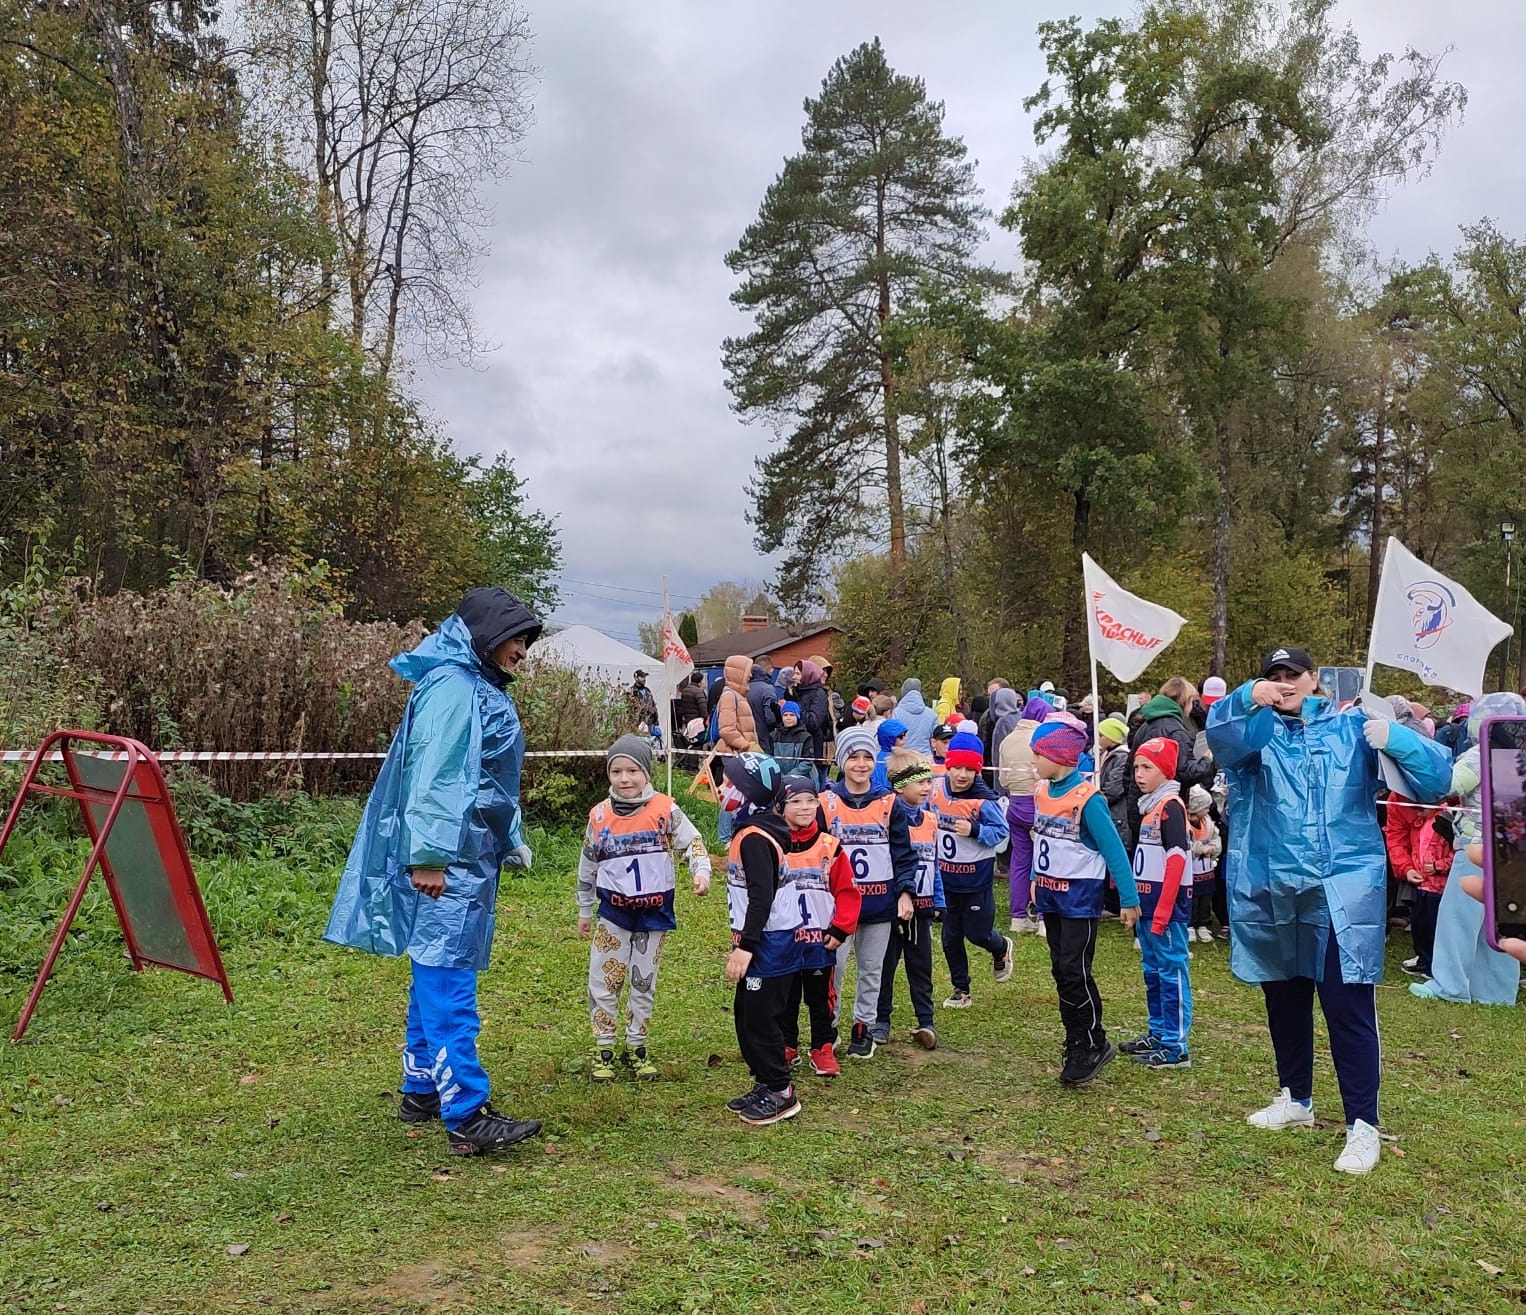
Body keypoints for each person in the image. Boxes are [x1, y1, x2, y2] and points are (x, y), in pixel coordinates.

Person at [1205, 645, 1451, 1176]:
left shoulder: (1352, 729)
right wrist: (1247, 698)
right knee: (1284, 996)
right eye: (1274, 675)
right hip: (1274, 885)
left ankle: (1363, 1123)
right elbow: (1220, 738)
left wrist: (1397, 738)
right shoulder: (1255, 733)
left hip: (1343, 888)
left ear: (1314, 679)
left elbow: (1436, 782)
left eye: (1293, 674)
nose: (1285, 682)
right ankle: (1296, 1096)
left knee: (1347, 1004)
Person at [324, 586, 544, 1157]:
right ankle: (466, 1113)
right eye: (517, 639)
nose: (523, 652)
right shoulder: (455, 687)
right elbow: (438, 775)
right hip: (451, 859)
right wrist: (428, 856)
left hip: (467, 854)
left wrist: (510, 837)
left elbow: (488, 780)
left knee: (434, 970)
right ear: (487, 634)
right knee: (448, 980)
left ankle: (421, 1088)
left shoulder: (469, 683)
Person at [724, 758, 859, 1123]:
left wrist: (745, 947)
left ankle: (780, 1091)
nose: (721, 788)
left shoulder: (755, 838)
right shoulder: (755, 830)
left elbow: (761, 898)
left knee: (760, 1018)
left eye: (729, 783)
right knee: (747, 1014)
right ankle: (764, 1082)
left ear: (748, 793)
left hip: (769, 942)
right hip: (766, 940)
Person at [576, 735, 711, 1081]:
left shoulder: (665, 809)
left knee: (643, 981)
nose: (625, 779)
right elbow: (588, 865)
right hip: (613, 914)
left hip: (653, 915)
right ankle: (604, 1047)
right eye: (617, 771)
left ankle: (636, 1045)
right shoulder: (599, 816)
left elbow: (693, 841)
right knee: (604, 980)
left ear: (646, 772)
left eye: (633, 770)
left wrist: (701, 871)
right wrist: (585, 909)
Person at [1027, 717, 1139, 1086]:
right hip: (1051, 899)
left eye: (1038, 754)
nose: (1033, 760)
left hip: (1078, 902)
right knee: (1061, 970)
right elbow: (1041, 840)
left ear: (1058, 757)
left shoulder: (1088, 800)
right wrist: (1034, 879)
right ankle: (1075, 1038)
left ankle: (1093, 1042)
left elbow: (1113, 850)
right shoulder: (1042, 792)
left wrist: (1128, 898)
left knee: (1075, 971)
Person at [1411, 692, 1525, 1006]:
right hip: (1514, 851)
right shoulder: (1520, 753)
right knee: (1501, 922)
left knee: (1457, 919)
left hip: (1476, 848)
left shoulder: (1481, 753)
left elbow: (1450, 785)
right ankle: (1497, 993)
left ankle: (1449, 985)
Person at [820, 725, 911, 1057]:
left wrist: (905, 892)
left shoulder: (889, 803)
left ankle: (864, 1026)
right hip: (836, 906)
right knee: (834, 968)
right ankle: (828, 1026)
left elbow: (903, 853)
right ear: (842, 761)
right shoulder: (825, 803)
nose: (861, 764)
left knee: (872, 970)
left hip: (878, 904)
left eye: (867, 757)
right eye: (854, 757)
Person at [1120, 737, 1195, 1071]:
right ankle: (1158, 1032)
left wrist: (1164, 910)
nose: (1139, 774)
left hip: (1166, 910)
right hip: (1147, 907)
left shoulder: (1170, 807)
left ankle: (1175, 1045)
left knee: (1171, 971)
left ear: (1165, 770)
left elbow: (1176, 860)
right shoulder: (1150, 807)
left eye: (1147, 767)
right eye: (1137, 767)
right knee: (1153, 971)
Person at [932, 731, 1013, 1008]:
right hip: (945, 878)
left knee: (978, 933)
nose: (962, 775)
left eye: (969, 769)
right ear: (948, 765)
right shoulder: (936, 788)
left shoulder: (984, 800)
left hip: (975, 880)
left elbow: (1001, 833)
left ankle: (1000, 947)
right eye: (957, 767)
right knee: (950, 936)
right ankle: (961, 989)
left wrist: (975, 830)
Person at [875, 748, 944, 1049]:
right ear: (901, 786)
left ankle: (925, 1021)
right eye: (920, 782)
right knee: (885, 966)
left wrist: (939, 900)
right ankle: (880, 1020)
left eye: (929, 782)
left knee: (921, 967)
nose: (927, 788)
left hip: (923, 907)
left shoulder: (930, 820)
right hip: (894, 908)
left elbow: (935, 863)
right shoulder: (888, 818)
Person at [1125, 678, 1216, 845]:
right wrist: (1207, 760)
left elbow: (1128, 770)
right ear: (1185, 702)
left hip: (1139, 807)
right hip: (1166, 810)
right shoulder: (1177, 731)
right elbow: (1185, 772)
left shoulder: (1144, 727)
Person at [997, 695, 1052, 934]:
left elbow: (1002, 779)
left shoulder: (1007, 740)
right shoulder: (1041, 738)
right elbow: (1045, 774)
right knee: (1044, 861)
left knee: (1019, 861)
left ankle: (1018, 917)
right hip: (1037, 802)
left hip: (1015, 803)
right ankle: (1043, 918)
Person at [1187, 785, 1221, 943]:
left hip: (1207, 870)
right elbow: (1185, 845)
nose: (1208, 810)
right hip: (1191, 871)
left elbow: (1216, 838)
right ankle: (1190, 925)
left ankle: (1203, 924)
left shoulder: (1208, 823)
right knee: (1192, 899)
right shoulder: (1185, 825)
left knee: (1206, 898)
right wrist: (1200, 849)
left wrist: (1213, 848)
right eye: (1205, 807)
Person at [793, 659, 833, 765]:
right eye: (794, 673)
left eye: (798, 674)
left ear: (807, 674)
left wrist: (795, 707)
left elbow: (813, 723)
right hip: (798, 746)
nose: (794, 677)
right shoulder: (798, 692)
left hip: (812, 749)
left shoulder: (818, 694)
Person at [770, 701, 819, 786]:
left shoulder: (805, 737)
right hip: (779, 780)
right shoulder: (773, 736)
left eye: (792, 715)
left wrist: (790, 776)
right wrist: (780, 776)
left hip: (801, 780)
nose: (788, 718)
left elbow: (807, 761)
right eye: (785, 715)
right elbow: (770, 758)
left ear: (797, 716)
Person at [892, 677, 940, 753]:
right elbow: (936, 738)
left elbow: (891, 737)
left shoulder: (895, 713)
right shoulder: (931, 713)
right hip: (924, 756)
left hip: (902, 756)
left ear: (903, 692)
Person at [746, 662, 780, 754]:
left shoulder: (743, 690)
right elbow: (770, 717)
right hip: (764, 736)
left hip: (747, 738)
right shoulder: (767, 689)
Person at [871, 718, 908, 791]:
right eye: (901, 737)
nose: (904, 739)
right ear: (890, 739)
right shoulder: (885, 762)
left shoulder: (877, 759)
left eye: (905, 735)